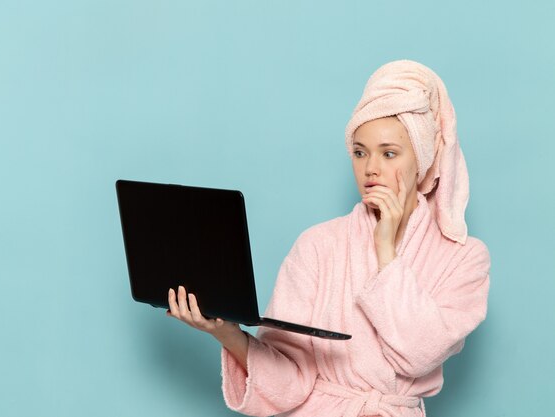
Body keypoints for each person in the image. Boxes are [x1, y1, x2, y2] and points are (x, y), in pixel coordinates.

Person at [166, 59, 491, 417]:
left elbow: (417, 354)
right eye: (359, 152)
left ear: (424, 159)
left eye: (389, 153)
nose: (370, 168)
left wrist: (386, 253)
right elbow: (289, 381)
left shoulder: (463, 258)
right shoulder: (318, 245)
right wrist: (226, 332)